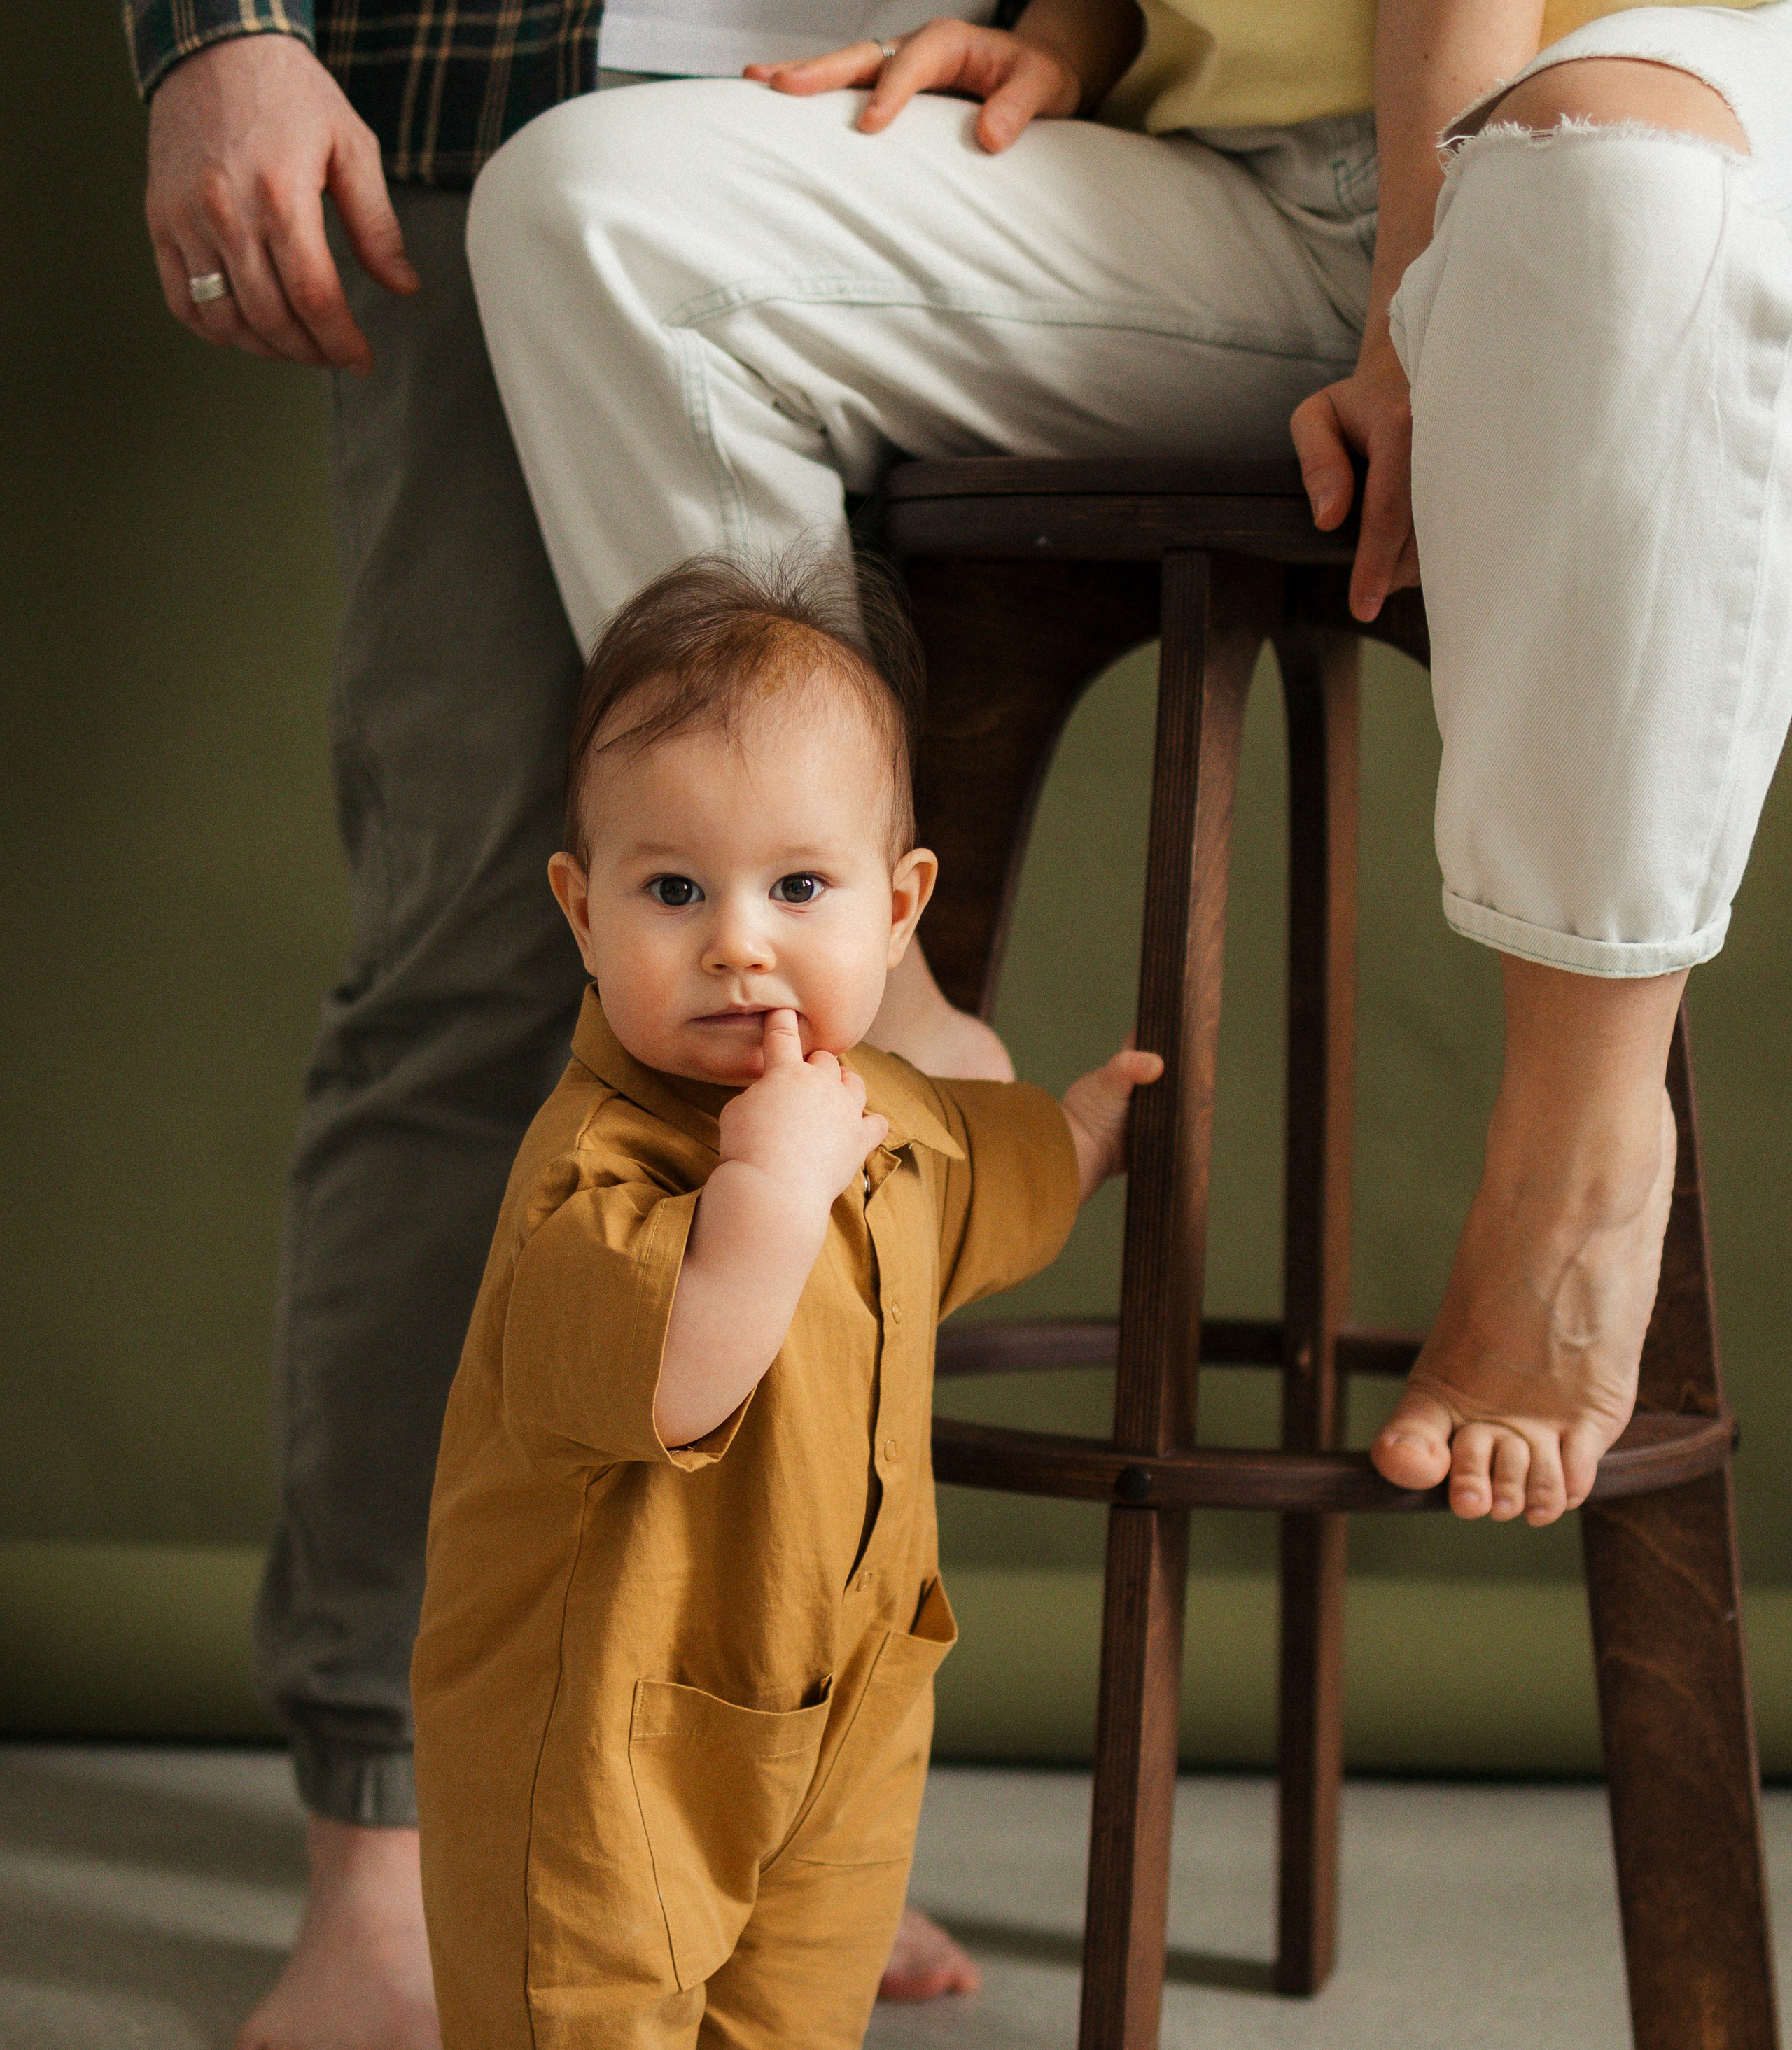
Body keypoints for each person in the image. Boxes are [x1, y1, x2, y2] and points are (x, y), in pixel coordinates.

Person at [464, 0, 1792, 1559]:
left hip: (1630, 134)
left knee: (1614, 189)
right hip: (1230, 177)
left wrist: (1412, 307)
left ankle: (1579, 1154)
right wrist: (1085, 30)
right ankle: (872, 1013)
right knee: (588, 211)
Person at [122, 2, 1002, 2050]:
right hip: (489, 89)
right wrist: (212, 31)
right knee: (477, 973)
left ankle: (758, 1818)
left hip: (932, 122)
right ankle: (384, 1841)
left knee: (843, 994)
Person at [410, 556, 1161, 2050]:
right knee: (587, 1988)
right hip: (593, 1720)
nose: (741, 947)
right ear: (582, 915)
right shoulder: (598, 1175)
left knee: (760, 1940)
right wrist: (765, 1183)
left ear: (896, 908)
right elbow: (684, 1373)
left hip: (808, 1677)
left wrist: (1073, 1136)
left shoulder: (877, 1107)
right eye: (673, 893)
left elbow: (981, 1195)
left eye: (798, 892)